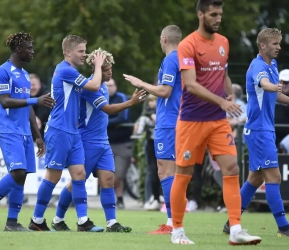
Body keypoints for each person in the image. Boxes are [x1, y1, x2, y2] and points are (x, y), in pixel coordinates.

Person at [168, 0, 262, 245]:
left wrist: (229, 94)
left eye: (220, 14)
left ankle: (236, 229)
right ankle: (177, 230)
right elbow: (190, 84)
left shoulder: (223, 42)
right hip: (191, 120)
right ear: (201, 15)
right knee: (184, 174)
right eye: (213, 14)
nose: (218, 19)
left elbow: (224, 73)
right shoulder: (187, 45)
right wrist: (221, 102)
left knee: (232, 168)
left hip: (218, 121)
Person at [51, 48, 145, 232]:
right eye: (106, 69)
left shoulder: (103, 86)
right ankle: (57, 219)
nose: (110, 73)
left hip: (103, 142)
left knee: (108, 180)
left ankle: (112, 223)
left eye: (111, 69)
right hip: (86, 141)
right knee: (76, 182)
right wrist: (130, 103)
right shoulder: (88, 87)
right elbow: (108, 109)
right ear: (98, 68)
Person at [28, 35, 106, 232]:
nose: (84, 55)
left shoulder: (71, 71)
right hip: (59, 130)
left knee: (79, 174)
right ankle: (36, 219)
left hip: (73, 132)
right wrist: (98, 65)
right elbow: (95, 85)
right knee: (53, 176)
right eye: (80, 51)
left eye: (85, 50)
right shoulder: (65, 70)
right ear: (67, 52)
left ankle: (83, 221)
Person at [223, 28, 289, 237]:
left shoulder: (273, 64)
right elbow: (265, 84)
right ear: (262, 45)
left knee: (255, 179)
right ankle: (284, 226)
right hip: (259, 130)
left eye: (279, 43)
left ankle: (231, 222)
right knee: (274, 176)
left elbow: (274, 94)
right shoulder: (257, 65)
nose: (279, 47)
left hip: (264, 129)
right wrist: (274, 86)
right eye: (275, 44)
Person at [0, 32, 55, 231]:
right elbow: (4, 101)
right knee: (17, 171)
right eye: (29, 48)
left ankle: (11, 222)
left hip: (25, 133)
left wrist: (38, 137)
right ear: (18, 49)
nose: (32, 51)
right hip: (9, 131)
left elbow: (28, 108)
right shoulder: (3, 71)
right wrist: (35, 99)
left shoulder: (25, 75)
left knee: (23, 175)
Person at [124, 24, 182, 234]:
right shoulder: (182, 59)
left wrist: (141, 83)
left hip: (169, 122)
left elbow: (165, 91)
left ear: (164, 39)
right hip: (175, 121)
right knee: (168, 170)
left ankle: (172, 223)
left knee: (166, 170)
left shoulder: (170, 60)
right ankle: (174, 221)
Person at [106, 78, 134, 209]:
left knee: (119, 174)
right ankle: (118, 199)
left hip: (122, 142)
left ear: (115, 86)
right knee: (107, 174)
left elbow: (122, 117)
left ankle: (116, 197)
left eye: (111, 85)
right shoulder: (100, 97)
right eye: (106, 85)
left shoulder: (121, 97)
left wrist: (105, 121)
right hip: (105, 142)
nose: (108, 88)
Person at [30, 74, 51, 138]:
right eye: (29, 85)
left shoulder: (47, 96)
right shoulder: (24, 96)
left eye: (33, 85)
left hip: (46, 133)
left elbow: (39, 120)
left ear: (39, 85)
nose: (31, 87)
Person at [275, 69, 289, 152]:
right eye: (281, 82)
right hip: (270, 138)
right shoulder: (271, 96)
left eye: (286, 83)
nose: (283, 85)